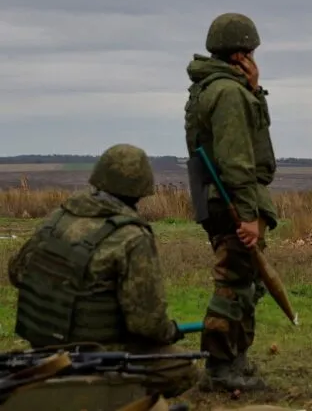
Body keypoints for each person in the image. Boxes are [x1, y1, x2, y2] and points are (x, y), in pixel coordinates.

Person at [6, 143, 199, 398]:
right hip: (96, 353)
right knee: (184, 368)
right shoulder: (132, 237)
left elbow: (16, 272)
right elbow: (147, 324)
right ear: (142, 189)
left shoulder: (58, 218)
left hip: (43, 348)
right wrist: (170, 332)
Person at [183, 11, 279, 393]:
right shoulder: (226, 93)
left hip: (227, 201)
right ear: (240, 55)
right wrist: (249, 215)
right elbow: (236, 159)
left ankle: (236, 359)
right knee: (234, 284)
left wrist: (255, 92)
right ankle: (222, 368)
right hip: (232, 203)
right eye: (251, 52)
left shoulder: (220, 88)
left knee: (246, 282)